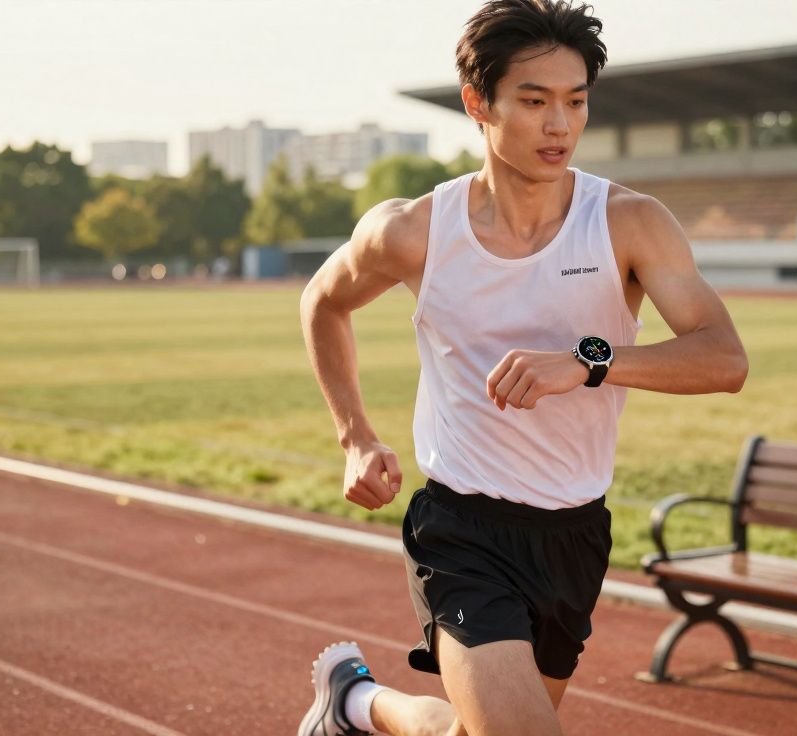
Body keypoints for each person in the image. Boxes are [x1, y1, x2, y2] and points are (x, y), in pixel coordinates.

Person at [297, 1, 748, 733]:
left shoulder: (628, 222)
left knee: (473, 730)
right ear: (478, 103)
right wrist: (354, 436)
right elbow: (323, 301)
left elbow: (724, 358)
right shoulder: (413, 231)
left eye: (576, 102)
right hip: (461, 528)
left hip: (575, 532)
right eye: (535, 102)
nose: (559, 125)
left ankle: (355, 704)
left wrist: (588, 362)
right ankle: (355, 704)